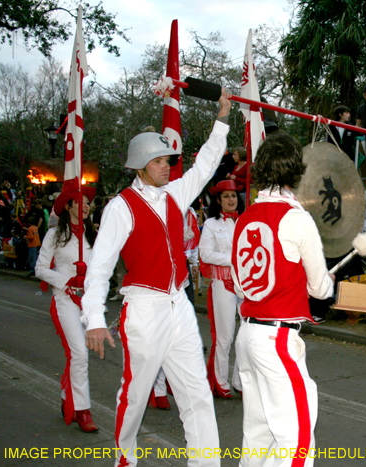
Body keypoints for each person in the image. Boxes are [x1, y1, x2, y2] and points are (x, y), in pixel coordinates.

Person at [82, 89, 232, 467]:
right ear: (141, 165)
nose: (168, 167)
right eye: (161, 161)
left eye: (168, 160)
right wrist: (95, 320)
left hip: (178, 304)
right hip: (144, 310)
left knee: (197, 392)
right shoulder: (120, 208)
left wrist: (222, 119)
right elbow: (99, 267)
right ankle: (125, 459)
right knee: (134, 394)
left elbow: (205, 167)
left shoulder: (174, 194)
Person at [231, 131, 334, 467]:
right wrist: (325, 280)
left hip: (246, 333)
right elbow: (320, 290)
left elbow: (240, 283)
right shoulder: (298, 219)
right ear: (296, 172)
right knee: (297, 440)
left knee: (258, 435)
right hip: (276, 337)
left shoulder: (244, 218)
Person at [35, 185, 97, 432]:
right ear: (68, 206)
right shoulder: (54, 235)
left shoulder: (93, 234)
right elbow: (40, 268)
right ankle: (82, 410)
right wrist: (68, 280)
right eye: (79, 201)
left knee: (80, 355)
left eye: (87, 202)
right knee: (80, 354)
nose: (84, 206)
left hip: (89, 303)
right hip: (65, 300)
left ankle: (66, 393)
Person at [200, 179, 244, 399]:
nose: (231, 200)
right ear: (218, 200)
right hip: (223, 283)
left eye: (234, 195)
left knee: (245, 337)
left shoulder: (245, 222)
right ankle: (220, 381)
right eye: (226, 196)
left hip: (246, 285)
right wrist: (233, 259)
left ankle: (240, 381)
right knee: (225, 336)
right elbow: (205, 254)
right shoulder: (210, 225)